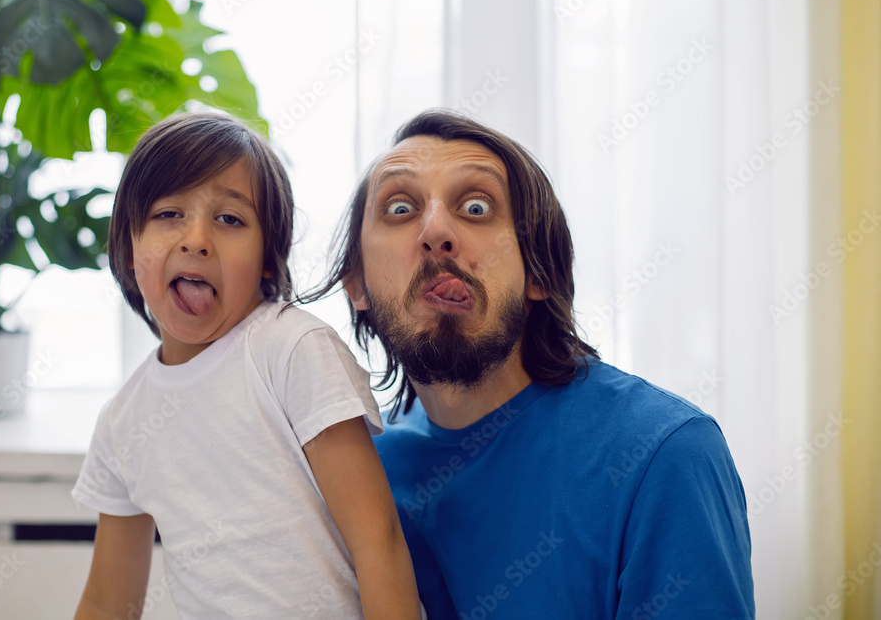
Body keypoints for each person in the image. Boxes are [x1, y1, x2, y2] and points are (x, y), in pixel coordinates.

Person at [313, 109, 756, 618]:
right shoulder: (362, 472)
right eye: (399, 208)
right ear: (356, 283)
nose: (436, 231)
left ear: (538, 273)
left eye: (476, 206)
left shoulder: (665, 453)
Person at [71, 112, 420, 619]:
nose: (196, 239)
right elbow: (107, 603)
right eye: (169, 214)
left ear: (266, 261)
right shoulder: (122, 422)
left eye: (230, 219)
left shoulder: (293, 350)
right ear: (128, 247)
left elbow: (379, 544)